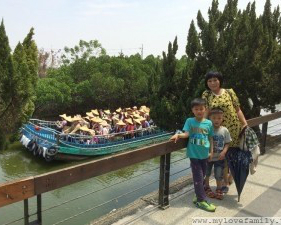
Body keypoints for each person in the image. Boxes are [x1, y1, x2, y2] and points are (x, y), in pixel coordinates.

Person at [202, 71, 248, 193]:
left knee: (233, 155)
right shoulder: (206, 94)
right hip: (217, 131)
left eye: (215, 80)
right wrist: (202, 126)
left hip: (233, 129)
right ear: (207, 83)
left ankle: (229, 179)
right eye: (209, 81)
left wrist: (244, 123)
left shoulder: (229, 92)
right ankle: (224, 182)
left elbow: (237, 109)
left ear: (220, 80)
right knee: (221, 156)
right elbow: (205, 112)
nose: (212, 83)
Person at [170, 98, 216, 212]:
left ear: (205, 109)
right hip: (194, 155)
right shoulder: (190, 121)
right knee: (199, 178)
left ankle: (197, 195)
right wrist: (178, 135)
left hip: (205, 154)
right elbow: (187, 133)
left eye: (201, 109)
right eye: (196, 109)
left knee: (203, 176)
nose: (199, 111)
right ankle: (201, 200)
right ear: (193, 110)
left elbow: (210, 138)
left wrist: (211, 151)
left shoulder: (209, 123)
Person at [204, 108, 232, 200]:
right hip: (208, 157)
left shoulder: (225, 130)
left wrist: (224, 152)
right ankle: (206, 187)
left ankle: (219, 188)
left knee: (218, 174)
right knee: (206, 173)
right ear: (210, 118)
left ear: (222, 118)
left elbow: (227, 143)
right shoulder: (207, 129)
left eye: (219, 118)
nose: (217, 120)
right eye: (214, 118)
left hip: (220, 158)